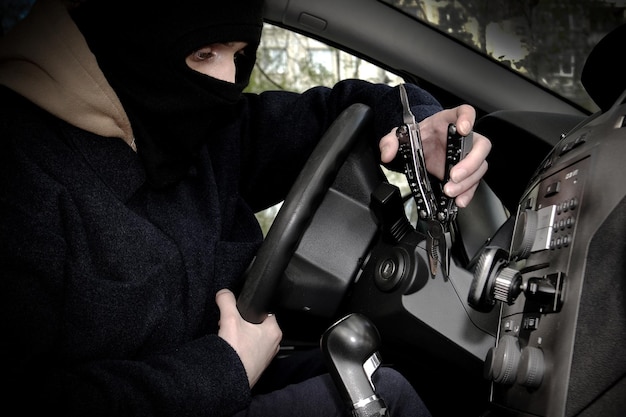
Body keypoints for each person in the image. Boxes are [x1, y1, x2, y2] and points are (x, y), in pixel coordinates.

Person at [0, 0, 491, 416]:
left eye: (239, 54)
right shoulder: (21, 175)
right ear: (130, 40)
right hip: (200, 390)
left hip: (242, 377)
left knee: (393, 367)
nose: (227, 80)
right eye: (203, 53)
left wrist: (422, 128)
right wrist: (221, 369)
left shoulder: (210, 132)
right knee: (389, 396)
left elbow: (343, 110)